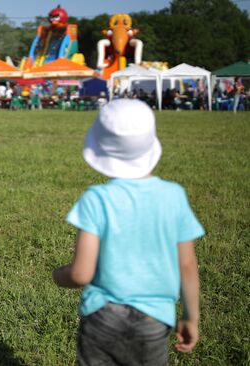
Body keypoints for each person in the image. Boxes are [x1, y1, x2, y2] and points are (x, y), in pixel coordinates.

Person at [52, 99, 204, 365]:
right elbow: (187, 264)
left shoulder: (96, 199)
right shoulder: (174, 196)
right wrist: (192, 317)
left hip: (102, 316)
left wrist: (59, 275)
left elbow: (81, 273)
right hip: (154, 319)